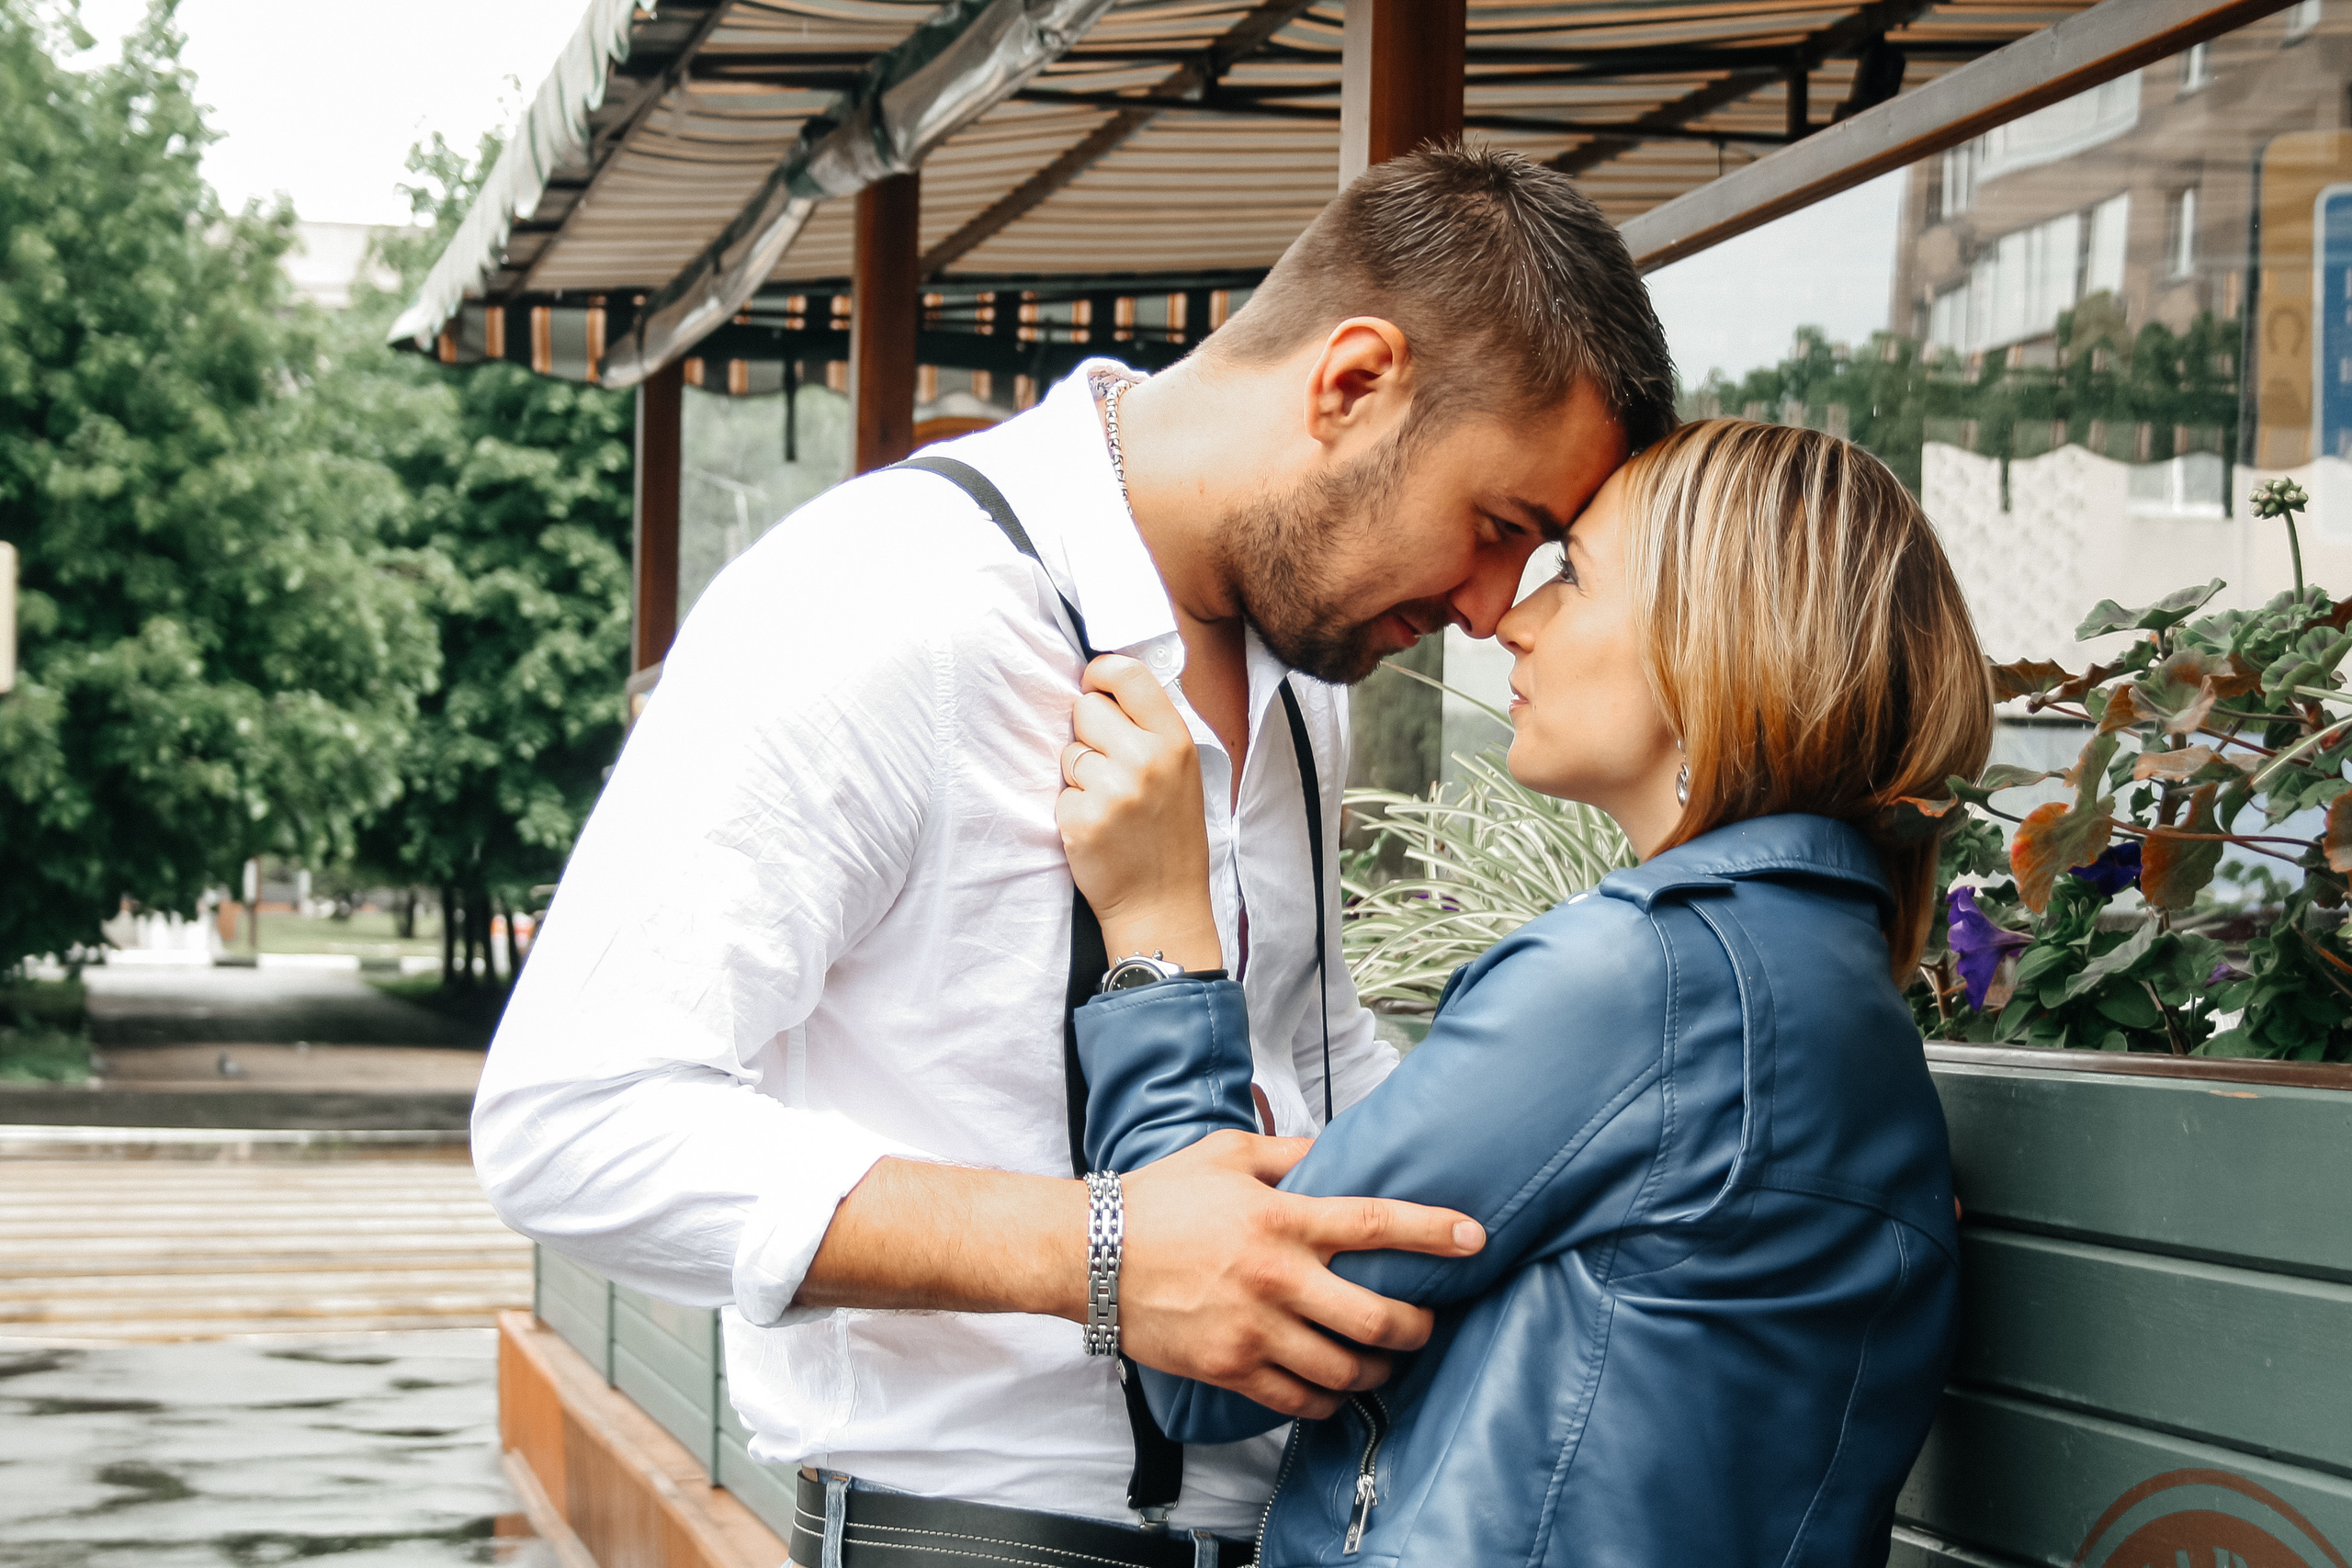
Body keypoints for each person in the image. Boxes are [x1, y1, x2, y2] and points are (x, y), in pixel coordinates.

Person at [472, 143, 1677, 1563]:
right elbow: (567, 1121)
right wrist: (1094, 1250)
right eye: (1494, 529)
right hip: (977, 1534)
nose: (1489, 609)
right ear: (1352, 384)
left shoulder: (1309, 680)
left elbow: (1306, 1039)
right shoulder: (884, 599)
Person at [1057, 419, 1994, 1565]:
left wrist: (1158, 936)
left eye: (1572, 574)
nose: (1511, 616)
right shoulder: (1819, 982)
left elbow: (1203, 1340)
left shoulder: (1648, 984)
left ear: (1712, 648)